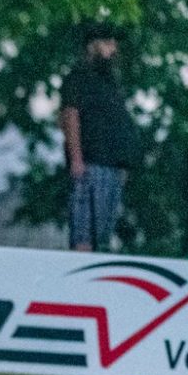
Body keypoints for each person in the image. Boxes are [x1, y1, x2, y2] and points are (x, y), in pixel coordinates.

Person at [59, 25, 140, 252]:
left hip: (112, 167)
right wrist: (77, 159)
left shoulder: (109, 82)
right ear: (93, 45)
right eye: (108, 43)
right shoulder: (78, 78)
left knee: (102, 234)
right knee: (86, 231)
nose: (113, 49)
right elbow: (70, 116)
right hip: (92, 165)